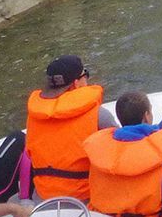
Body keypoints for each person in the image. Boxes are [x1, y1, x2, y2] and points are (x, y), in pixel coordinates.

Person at [24, 55, 105, 202]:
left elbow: (28, 155)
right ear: (76, 84)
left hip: (43, 198)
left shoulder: (34, 116)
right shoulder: (99, 115)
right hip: (86, 200)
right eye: (85, 74)